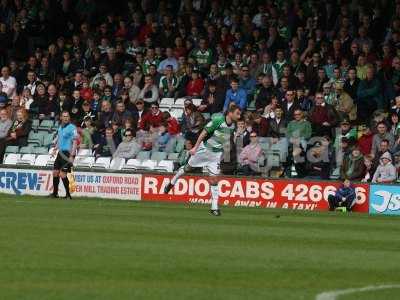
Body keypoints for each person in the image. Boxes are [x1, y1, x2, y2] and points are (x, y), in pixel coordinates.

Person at [164, 104, 242, 216]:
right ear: (230, 113)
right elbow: (204, 132)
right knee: (187, 168)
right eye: (237, 114)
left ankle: (214, 207)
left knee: (214, 180)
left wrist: (236, 136)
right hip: (204, 150)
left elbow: (228, 141)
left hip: (215, 155)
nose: (239, 116)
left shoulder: (233, 126)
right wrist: (195, 147)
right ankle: (172, 182)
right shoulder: (218, 120)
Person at [50, 111, 78, 199]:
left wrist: (72, 155)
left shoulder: (72, 128)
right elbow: (60, 139)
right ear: (61, 117)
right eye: (64, 116)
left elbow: (75, 142)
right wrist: (55, 149)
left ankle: (68, 195)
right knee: (55, 172)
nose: (65, 118)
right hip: (60, 153)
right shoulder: (60, 127)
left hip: (67, 153)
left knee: (62, 174)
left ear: (69, 118)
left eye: (67, 116)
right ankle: (55, 194)